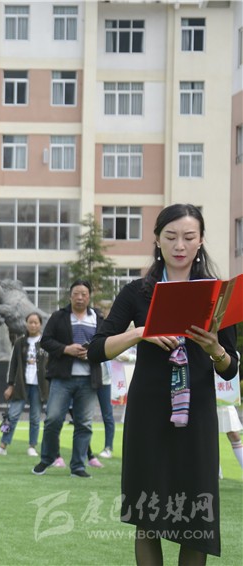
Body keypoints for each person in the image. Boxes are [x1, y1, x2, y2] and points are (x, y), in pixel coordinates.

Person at [87, 203, 238, 563]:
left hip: (197, 415)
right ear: (157, 239)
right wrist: (140, 333)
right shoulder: (137, 292)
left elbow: (230, 369)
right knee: (148, 516)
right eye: (170, 236)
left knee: (198, 517)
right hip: (149, 414)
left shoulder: (217, 294)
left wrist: (214, 348)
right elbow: (95, 350)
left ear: (201, 241)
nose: (179, 245)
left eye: (188, 237)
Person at [32, 280, 103, 478]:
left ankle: (78, 466)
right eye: (76, 294)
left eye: (84, 294)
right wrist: (66, 349)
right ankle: (47, 458)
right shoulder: (59, 316)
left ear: (89, 296)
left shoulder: (97, 318)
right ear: (70, 296)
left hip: (89, 378)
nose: (80, 298)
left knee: (84, 423)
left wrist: (92, 352)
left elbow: (105, 342)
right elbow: (45, 341)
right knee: (53, 419)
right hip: (62, 377)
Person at [0, 312, 49, 457]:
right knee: (12, 416)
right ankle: (3, 446)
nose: (33, 325)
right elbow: (13, 365)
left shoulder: (46, 343)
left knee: (35, 418)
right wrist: (10, 385)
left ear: (40, 325)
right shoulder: (20, 342)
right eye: (30, 322)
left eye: (36, 322)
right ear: (26, 324)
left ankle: (32, 446)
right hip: (21, 385)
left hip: (39, 386)